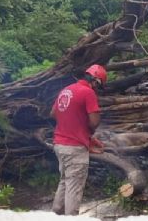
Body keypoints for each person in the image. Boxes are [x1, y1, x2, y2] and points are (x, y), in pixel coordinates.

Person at [50, 64, 106, 215]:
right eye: (98, 86)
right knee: (74, 187)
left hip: (59, 145)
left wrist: (82, 133)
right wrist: (86, 132)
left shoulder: (66, 90)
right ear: (96, 81)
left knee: (65, 180)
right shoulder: (88, 93)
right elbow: (94, 122)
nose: (96, 90)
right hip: (74, 148)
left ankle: (56, 214)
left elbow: (53, 114)